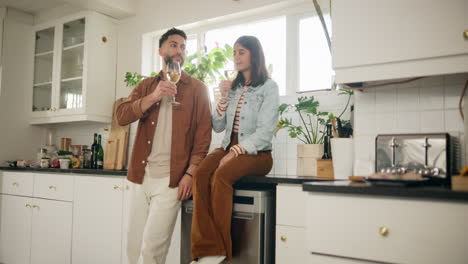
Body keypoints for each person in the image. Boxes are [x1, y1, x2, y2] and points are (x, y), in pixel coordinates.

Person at [116, 28, 212, 264]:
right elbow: (121, 116)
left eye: (183, 47)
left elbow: (203, 138)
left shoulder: (198, 89)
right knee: (133, 246)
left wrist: (190, 173)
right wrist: (153, 97)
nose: (179, 51)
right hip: (140, 177)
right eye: (173, 45)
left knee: (152, 251)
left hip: (171, 182)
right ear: (161, 50)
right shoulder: (147, 85)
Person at [190, 36, 279, 264]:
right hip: (228, 145)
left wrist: (237, 150)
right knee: (200, 174)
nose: (236, 57)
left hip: (257, 154)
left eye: (241, 52)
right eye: (234, 53)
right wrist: (223, 99)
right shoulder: (235, 87)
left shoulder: (269, 87)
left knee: (221, 175)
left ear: (254, 54)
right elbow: (219, 125)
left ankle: (220, 250)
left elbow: (265, 132)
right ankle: (205, 248)